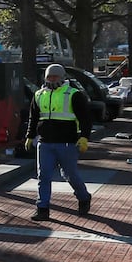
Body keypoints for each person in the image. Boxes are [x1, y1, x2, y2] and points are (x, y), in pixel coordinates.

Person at [24, 62, 92, 221]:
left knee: (70, 174)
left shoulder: (74, 94)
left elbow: (85, 119)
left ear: (63, 77)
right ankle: (42, 208)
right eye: (49, 76)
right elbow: (33, 118)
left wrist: (84, 137)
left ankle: (83, 197)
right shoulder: (39, 94)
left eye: (55, 76)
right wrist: (30, 136)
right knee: (44, 176)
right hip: (45, 143)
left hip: (67, 143)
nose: (52, 79)